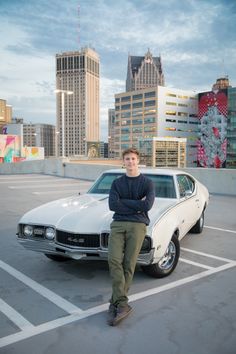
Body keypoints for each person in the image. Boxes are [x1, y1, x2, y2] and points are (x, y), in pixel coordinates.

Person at [107, 147, 155, 326]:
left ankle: (116, 302)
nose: (130, 162)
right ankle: (122, 303)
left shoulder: (147, 183)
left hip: (138, 225)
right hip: (118, 224)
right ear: (123, 161)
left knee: (129, 263)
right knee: (113, 260)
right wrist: (136, 205)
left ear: (138, 160)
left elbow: (147, 205)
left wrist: (124, 203)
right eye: (127, 159)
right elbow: (113, 205)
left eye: (133, 159)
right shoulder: (117, 183)